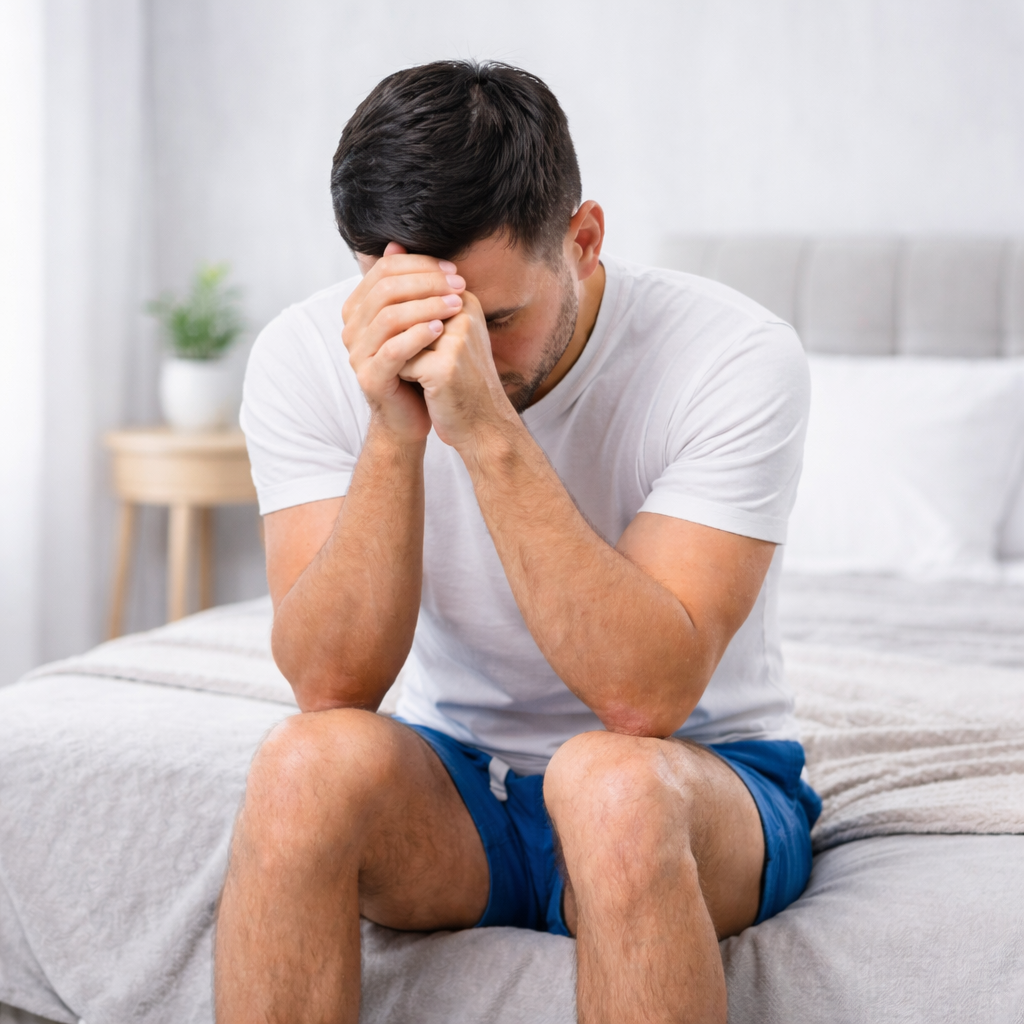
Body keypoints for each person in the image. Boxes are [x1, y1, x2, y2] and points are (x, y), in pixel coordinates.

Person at [216, 59, 821, 1024]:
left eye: (495, 321)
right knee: (299, 764)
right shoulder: (305, 355)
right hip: (459, 784)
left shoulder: (733, 355)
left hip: (697, 778)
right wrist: (393, 433)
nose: (451, 357)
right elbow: (332, 688)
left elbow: (643, 695)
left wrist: (487, 429)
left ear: (582, 241)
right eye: (420, 318)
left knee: (607, 782)